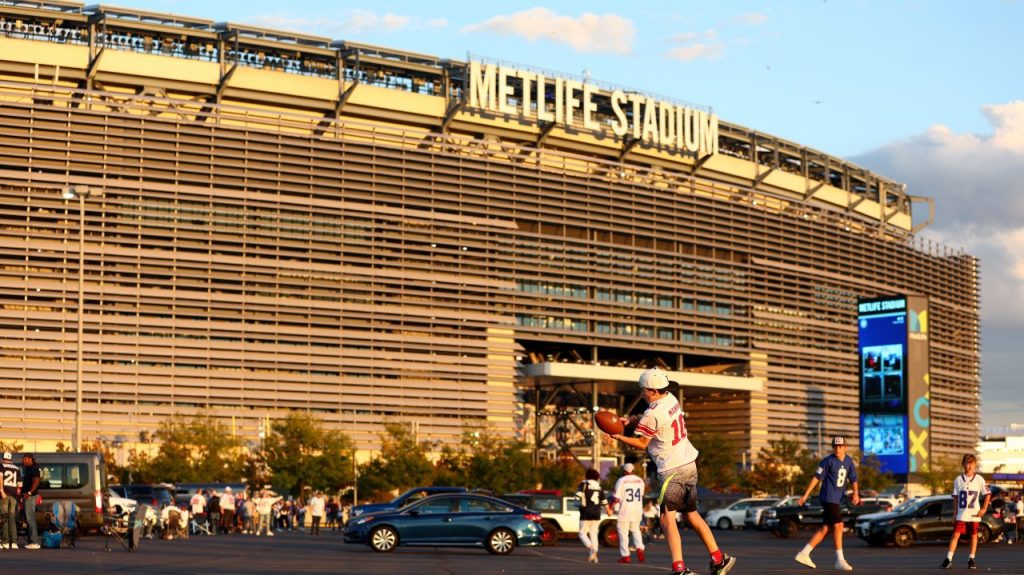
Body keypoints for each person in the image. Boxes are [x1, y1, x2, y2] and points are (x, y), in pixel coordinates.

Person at [610, 368, 736, 575]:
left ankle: (680, 568)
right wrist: (631, 421)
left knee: (666, 519)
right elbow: (654, 420)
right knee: (691, 515)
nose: (641, 393)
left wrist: (618, 436)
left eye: (643, 389)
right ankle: (719, 558)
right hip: (688, 463)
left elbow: (642, 443)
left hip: (672, 468)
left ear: (651, 390)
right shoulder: (670, 398)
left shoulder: (652, 413)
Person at [794, 436, 860, 571]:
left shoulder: (848, 461)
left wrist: (856, 493)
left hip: (837, 499)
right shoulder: (827, 461)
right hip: (828, 498)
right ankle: (840, 560)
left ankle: (804, 553)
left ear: (845, 447)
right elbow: (816, 478)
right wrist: (805, 495)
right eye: (835, 446)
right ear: (832, 447)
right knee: (839, 525)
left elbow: (853, 478)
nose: (838, 448)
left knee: (826, 528)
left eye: (840, 446)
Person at [941, 453, 990, 569]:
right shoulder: (958, 480)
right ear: (963, 464)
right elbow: (956, 498)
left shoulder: (979, 479)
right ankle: (948, 558)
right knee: (956, 534)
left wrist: (984, 508)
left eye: (971, 463)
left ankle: (971, 559)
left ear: (975, 465)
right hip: (962, 512)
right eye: (967, 463)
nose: (969, 466)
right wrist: (954, 513)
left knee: (973, 535)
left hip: (974, 513)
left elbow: (988, 494)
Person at [608, 462, 646, 563]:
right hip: (637, 509)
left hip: (625, 509)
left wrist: (611, 507)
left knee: (623, 532)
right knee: (635, 530)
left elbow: (616, 498)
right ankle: (640, 548)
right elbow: (641, 496)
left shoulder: (621, 480)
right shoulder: (640, 480)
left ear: (625, 471)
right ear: (633, 470)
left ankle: (626, 556)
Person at [576, 467, 607, 563]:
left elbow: (578, 495)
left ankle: (591, 547)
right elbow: (604, 501)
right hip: (597, 512)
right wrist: (608, 510)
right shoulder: (599, 486)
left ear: (587, 475)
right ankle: (595, 557)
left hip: (586, 512)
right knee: (594, 534)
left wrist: (577, 503)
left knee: (582, 533)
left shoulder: (584, 484)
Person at [20, 453, 41, 549]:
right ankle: (32, 540)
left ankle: (34, 542)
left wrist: (29, 493)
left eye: (24, 459)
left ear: (29, 459)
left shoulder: (34, 468)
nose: (23, 461)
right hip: (27, 497)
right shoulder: (28, 469)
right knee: (28, 519)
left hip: (30, 497)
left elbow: (36, 482)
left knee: (30, 519)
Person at [1, 452, 21, 549]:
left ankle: (5, 541)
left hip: (3, 495)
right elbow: (20, 485)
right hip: (13, 496)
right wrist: (17, 494)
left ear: (2, 458)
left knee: (4, 518)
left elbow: (0, 478)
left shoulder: (1, 466)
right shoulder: (17, 468)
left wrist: (1, 490)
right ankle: (14, 542)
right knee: (12, 518)